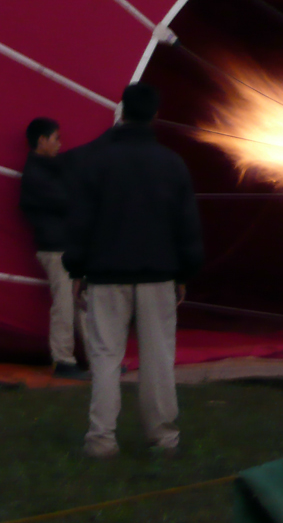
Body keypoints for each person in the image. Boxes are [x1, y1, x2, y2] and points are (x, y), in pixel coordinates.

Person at [64, 83, 203, 459]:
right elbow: (186, 226)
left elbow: (79, 222)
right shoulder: (171, 164)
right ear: (156, 115)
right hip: (158, 274)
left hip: (106, 274)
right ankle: (163, 437)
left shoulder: (95, 162)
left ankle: (102, 439)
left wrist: (76, 269)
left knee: (106, 357)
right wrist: (184, 273)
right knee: (158, 357)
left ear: (121, 110)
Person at [19, 117, 89, 379]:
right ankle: (63, 361)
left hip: (64, 247)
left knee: (80, 302)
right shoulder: (38, 175)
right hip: (55, 248)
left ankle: (99, 357)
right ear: (42, 141)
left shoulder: (47, 169)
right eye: (56, 138)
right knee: (65, 304)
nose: (60, 143)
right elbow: (68, 202)